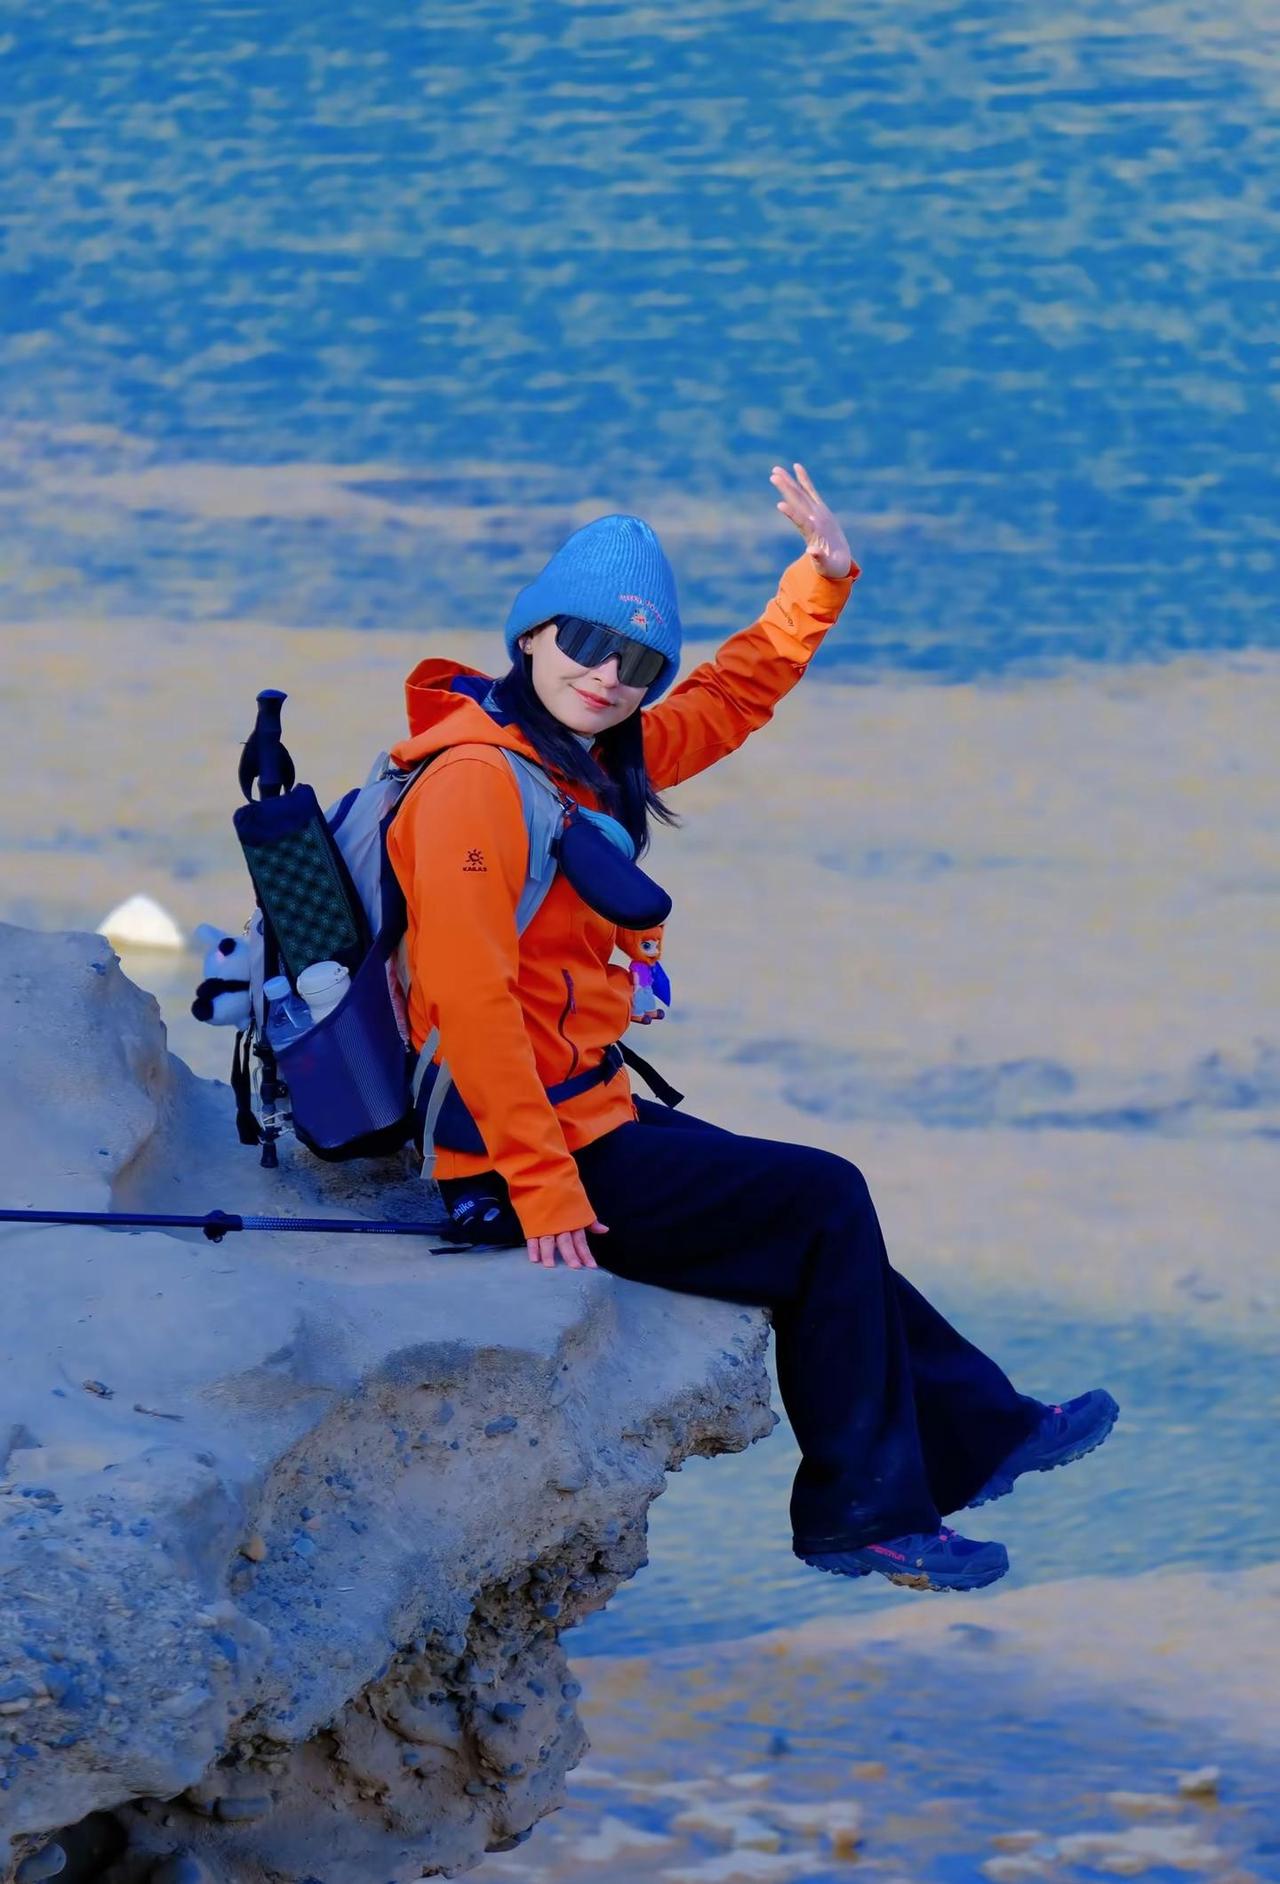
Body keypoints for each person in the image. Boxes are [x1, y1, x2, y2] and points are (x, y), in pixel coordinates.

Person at [386, 464, 1117, 1592]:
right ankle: (861, 1515)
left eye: (635, 661)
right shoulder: (477, 783)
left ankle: (979, 1431)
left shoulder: (588, 762)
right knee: (820, 1198)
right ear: (529, 633)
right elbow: (466, 996)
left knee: (814, 1217)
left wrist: (818, 583)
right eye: (582, 639)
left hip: (585, 1110)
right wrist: (538, 1190)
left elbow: (731, 696)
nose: (604, 672)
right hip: (511, 1151)